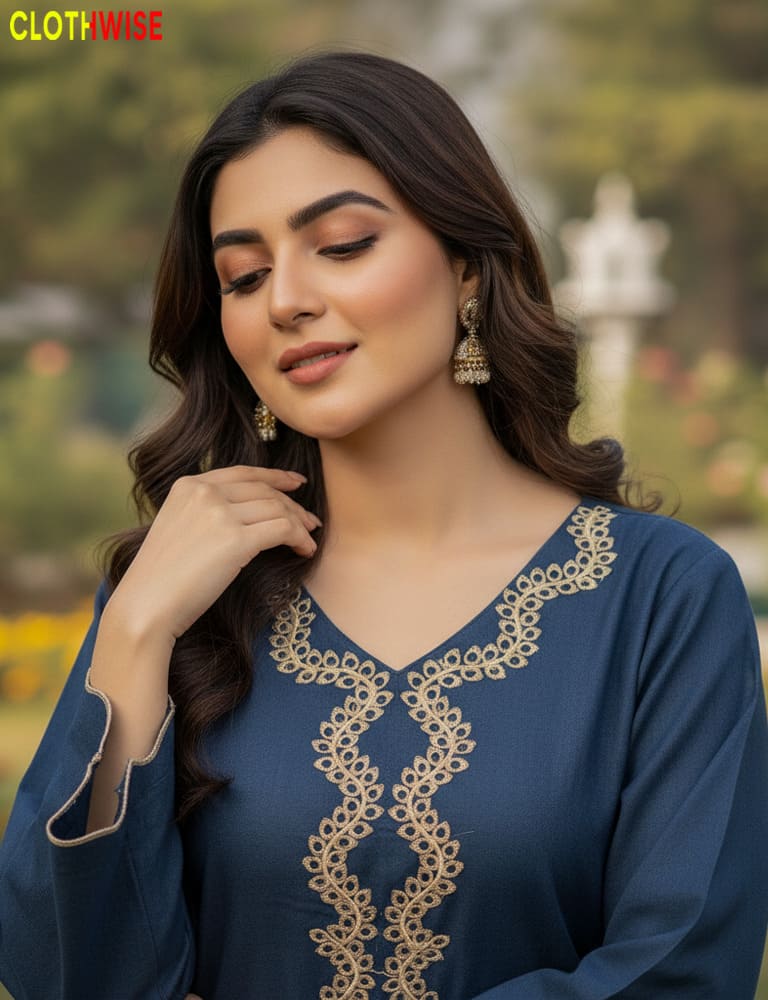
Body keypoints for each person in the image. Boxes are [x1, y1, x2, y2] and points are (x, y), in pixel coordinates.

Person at [0, 48, 766, 1000]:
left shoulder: (659, 594)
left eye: (345, 244)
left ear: (468, 269)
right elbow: (62, 974)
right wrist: (135, 632)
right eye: (243, 275)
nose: (286, 299)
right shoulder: (184, 591)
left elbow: (683, 968)